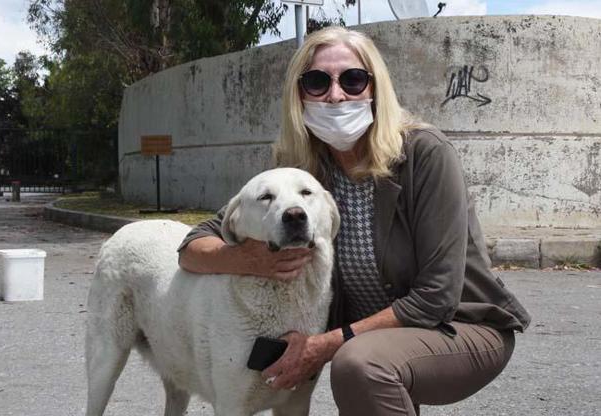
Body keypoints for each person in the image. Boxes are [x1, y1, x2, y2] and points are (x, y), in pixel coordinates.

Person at [177, 26, 531, 415]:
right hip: (375, 337)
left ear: (375, 88)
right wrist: (248, 259)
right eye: (316, 82)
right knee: (362, 360)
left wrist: (327, 343)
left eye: (353, 79)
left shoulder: (426, 155)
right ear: (299, 95)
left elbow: (437, 296)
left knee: (359, 363)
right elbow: (196, 243)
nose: (335, 94)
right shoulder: (303, 172)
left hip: (461, 327)